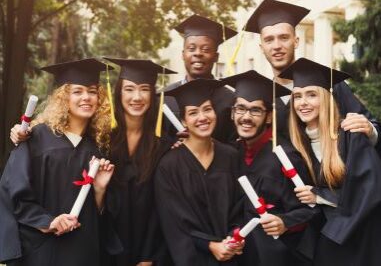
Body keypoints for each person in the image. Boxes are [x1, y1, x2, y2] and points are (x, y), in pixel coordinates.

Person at [0, 58, 115, 266]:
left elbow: (99, 218)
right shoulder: (35, 138)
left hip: (82, 252)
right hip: (42, 251)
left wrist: (99, 191)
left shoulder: (97, 148)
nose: (86, 97)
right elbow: (12, 192)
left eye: (92, 91)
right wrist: (48, 221)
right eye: (77, 91)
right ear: (63, 97)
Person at [244, 0, 381, 153]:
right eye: (269, 40)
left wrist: (370, 130)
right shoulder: (264, 99)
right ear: (262, 47)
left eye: (284, 37)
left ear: (296, 41)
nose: (276, 46)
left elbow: (372, 126)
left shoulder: (328, 83)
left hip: (342, 173)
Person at [279, 57, 381, 266]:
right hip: (328, 235)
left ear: (326, 98)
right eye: (297, 96)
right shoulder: (300, 144)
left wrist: (319, 195)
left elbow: (369, 190)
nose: (303, 103)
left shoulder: (351, 134)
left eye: (311, 95)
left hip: (360, 237)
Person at [223, 70, 316, 266]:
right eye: (240, 108)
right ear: (232, 113)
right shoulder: (230, 153)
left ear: (269, 117)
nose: (246, 117)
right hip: (237, 256)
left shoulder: (286, 157)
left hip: (276, 258)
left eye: (255, 110)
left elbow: (311, 210)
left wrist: (284, 222)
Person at [155, 79, 244, 266]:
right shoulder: (169, 165)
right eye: (193, 113)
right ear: (183, 121)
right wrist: (210, 245)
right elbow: (173, 224)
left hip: (230, 256)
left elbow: (241, 208)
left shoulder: (231, 157)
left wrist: (234, 238)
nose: (202, 117)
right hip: (190, 258)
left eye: (207, 109)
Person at [101, 58, 176, 266]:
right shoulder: (102, 138)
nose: (137, 97)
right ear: (119, 93)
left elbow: (163, 209)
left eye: (144, 89)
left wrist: (150, 256)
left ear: (153, 95)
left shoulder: (164, 145)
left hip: (147, 252)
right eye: (129, 89)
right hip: (103, 248)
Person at [164, 14, 238, 143]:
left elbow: (235, 148)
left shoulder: (231, 100)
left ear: (216, 56)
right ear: (183, 54)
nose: (198, 53)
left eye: (206, 49)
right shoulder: (164, 98)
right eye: (191, 48)